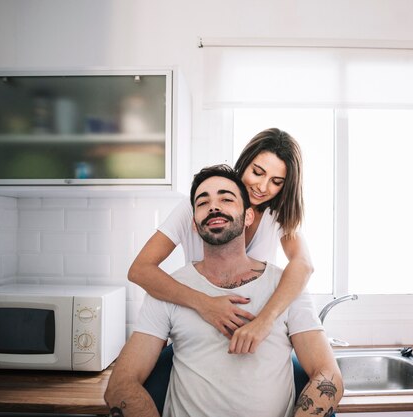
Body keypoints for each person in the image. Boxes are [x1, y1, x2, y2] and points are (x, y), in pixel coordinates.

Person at [105, 165, 342, 417]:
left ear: (248, 217)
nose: (214, 207)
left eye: (226, 199)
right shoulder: (167, 291)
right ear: (194, 224)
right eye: (203, 202)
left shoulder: (285, 287)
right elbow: (120, 385)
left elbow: (329, 376)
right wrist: (203, 303)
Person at [129, 128, 313, 354]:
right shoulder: (200, 207)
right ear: (244, 163)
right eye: (257, 172)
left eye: (276, 181)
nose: (262, 187)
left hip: (249, 339)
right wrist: (204, 304)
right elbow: (140, 269)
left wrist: (265, 320)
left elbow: (303, 265)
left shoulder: (276, 217)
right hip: (197, 335)